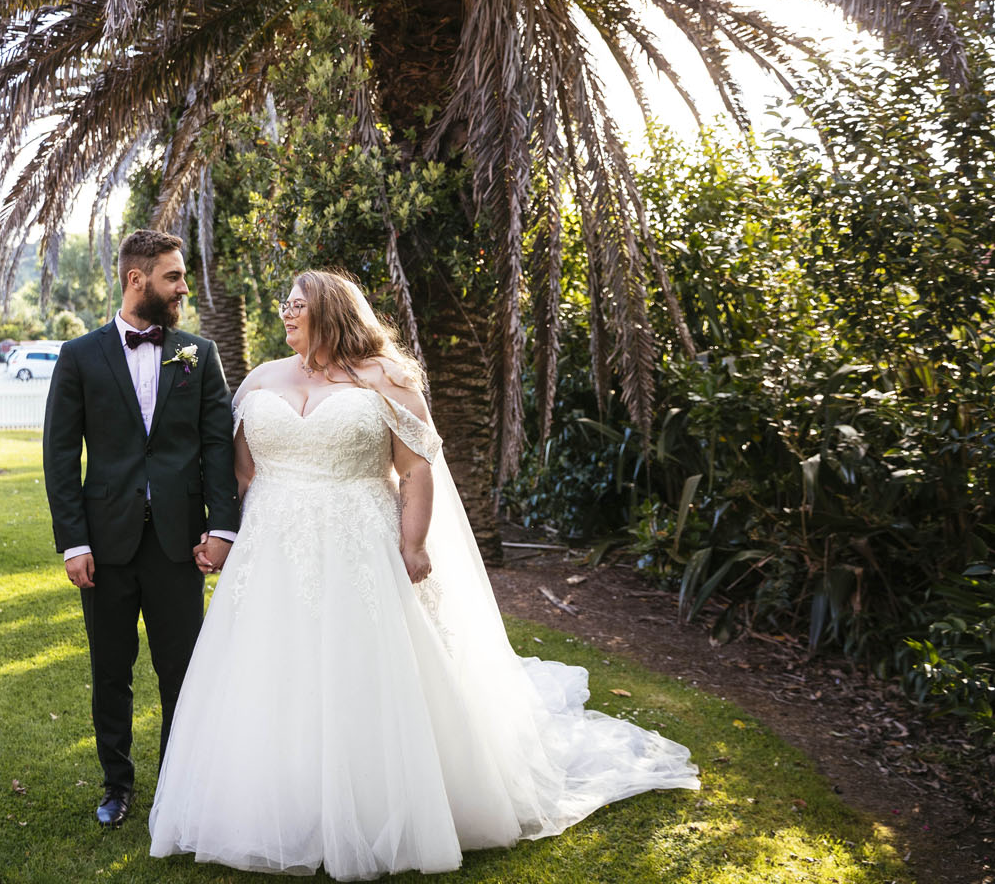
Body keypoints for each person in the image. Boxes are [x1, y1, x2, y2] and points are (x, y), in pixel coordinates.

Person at [149, 269, 700, 879]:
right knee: (270, 667)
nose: (286, 314)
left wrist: (412, 543)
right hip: (270, 546)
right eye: (285, 305)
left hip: (360, 539)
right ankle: (276, 800)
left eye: (297, 306)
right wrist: (224, 533)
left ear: (331, 312)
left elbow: (414, 471)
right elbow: (242, 472)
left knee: (363, 665)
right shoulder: (259, 380)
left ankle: (373, 800)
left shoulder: (386, 382)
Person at [42, 229, 240, 829]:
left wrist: (222, 530)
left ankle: (180, 788)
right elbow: (59, 456)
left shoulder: (199, 355)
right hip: (105, 545)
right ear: (138, 279)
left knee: (183, 670)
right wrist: (75, 542)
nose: (183, 287)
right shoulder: (79, 357)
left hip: (179, 544)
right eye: (173, 277)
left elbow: (217, 448)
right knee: (111, 670)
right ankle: (117, 786)